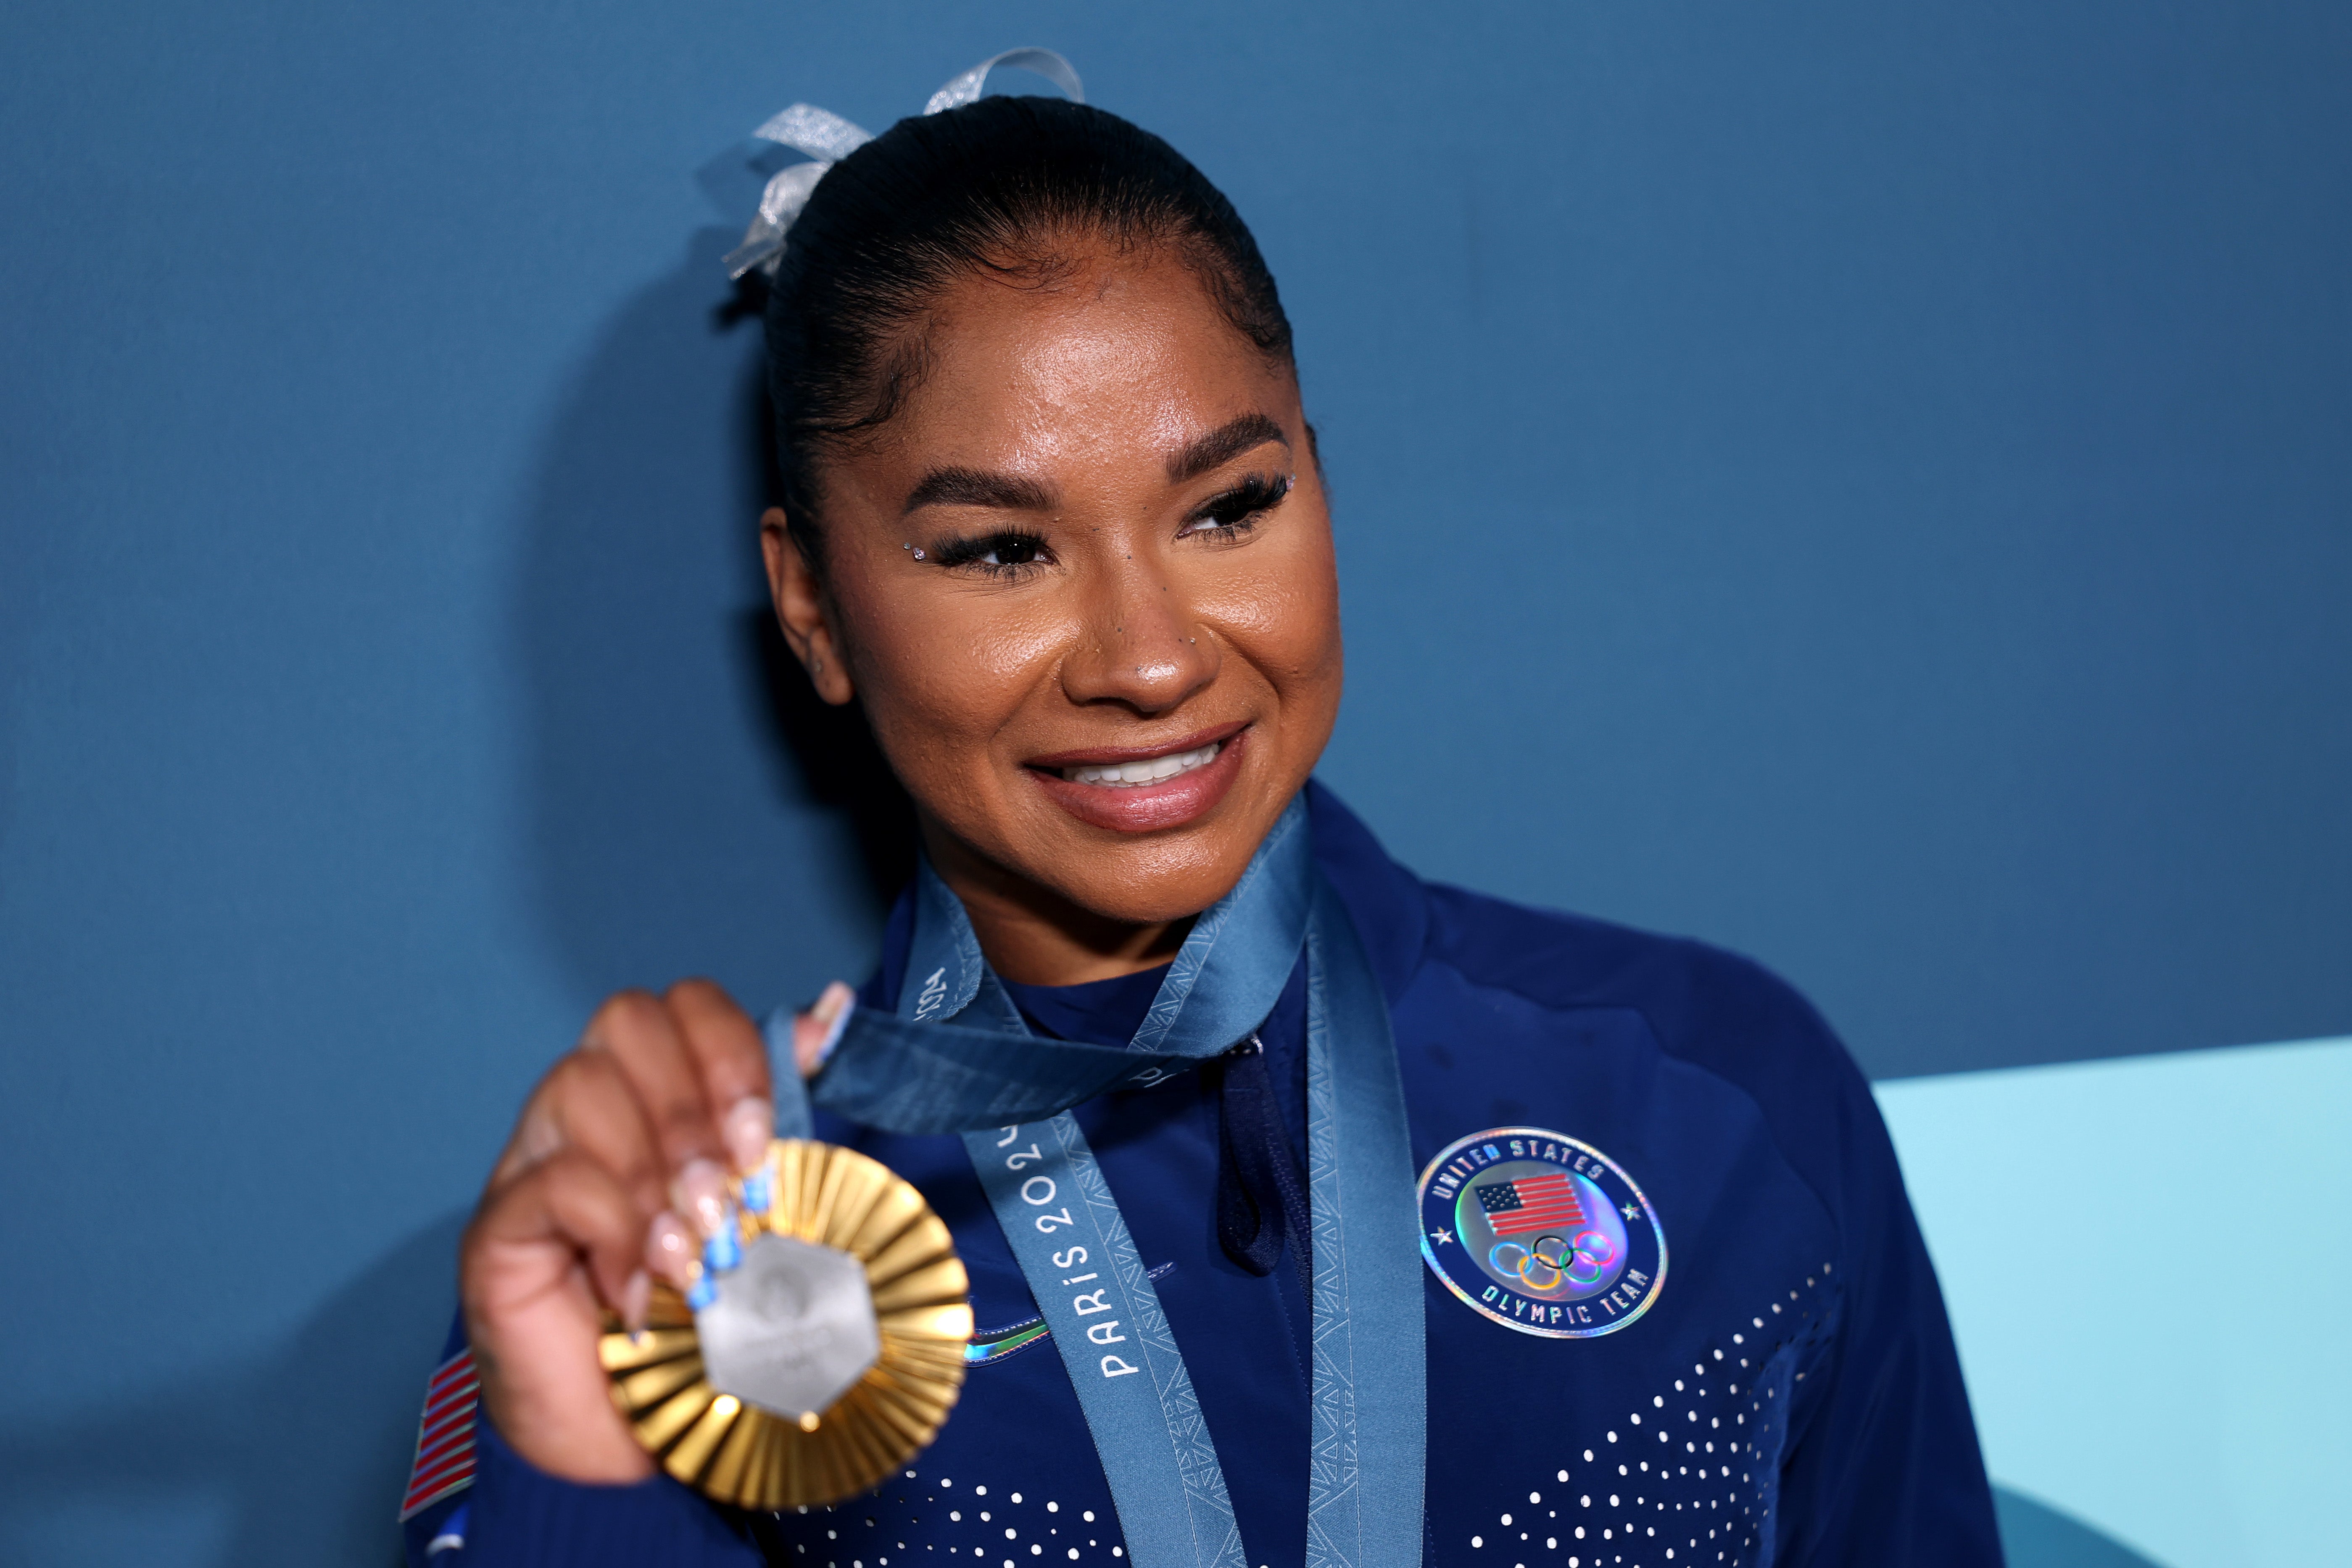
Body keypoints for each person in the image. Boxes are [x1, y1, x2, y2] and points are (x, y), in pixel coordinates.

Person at [398, 55, 2004, 1568]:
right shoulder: (697, 1244)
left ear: (1317, 479)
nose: (1155, 659)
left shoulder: (1716, 1088)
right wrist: (573, 1443)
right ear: (810, 604)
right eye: (999, 551)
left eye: (1229, 507)